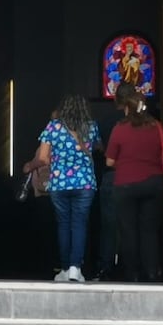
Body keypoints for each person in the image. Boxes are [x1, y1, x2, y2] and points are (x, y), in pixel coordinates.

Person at [35, 95, 102, 283]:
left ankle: (64, 268)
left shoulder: (53, 127)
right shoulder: (91, 126)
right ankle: (75, 268)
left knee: (63, 224)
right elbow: (99, 148)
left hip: (59, 183)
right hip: (84, 183)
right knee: (79, 223)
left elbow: (43, 158)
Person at [105, 83, 163, 282]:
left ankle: (132, 274)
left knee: (128, 230)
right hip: (154, 183)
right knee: (149, 231)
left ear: (126, 106)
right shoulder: (156, 127)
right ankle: (151, 272)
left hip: (126, 185)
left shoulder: (120, 129)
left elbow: (110, 161)